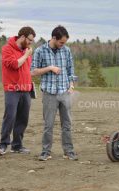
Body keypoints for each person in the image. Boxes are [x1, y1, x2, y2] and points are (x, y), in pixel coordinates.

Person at [31, 25, 78, 161]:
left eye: (64, 43)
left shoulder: (66, 51)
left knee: (67, 124)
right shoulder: (40, 51)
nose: (63, 45)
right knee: (48, 125)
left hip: (65, 92)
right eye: (61, 42)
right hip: (49, 93)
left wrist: (71, 85)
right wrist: (49, 68)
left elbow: (71, 71)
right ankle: (46, 152)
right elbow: (33, 71)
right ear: (53, 38)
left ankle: (69, 151)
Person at [0, 26, 36, 155]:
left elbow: (27, 70)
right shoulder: (7, 49)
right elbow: (14, 64)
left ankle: (17, 145)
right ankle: (2, 145)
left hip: (26, 90)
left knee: (23, 119)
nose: (30, 43)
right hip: (12, 89)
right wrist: (26, 55)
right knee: (10, 117)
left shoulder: (27, 51)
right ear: (22, 37)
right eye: (29, 40)